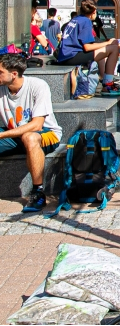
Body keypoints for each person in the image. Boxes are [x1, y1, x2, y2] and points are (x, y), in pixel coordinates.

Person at [0, 54, 62, 213]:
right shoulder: (1, 88)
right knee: (25, 136)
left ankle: (38, 192)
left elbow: (37, 124)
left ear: (13, 74)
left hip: (46, 134)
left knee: (29, 136)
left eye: (0, 72)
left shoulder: (37, 86)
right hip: (14, 135)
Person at [55, 0, 120, 96]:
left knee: (105, 49)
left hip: (65, 55)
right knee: (115, 49)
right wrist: (109, 43)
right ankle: (108, 84)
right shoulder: (86, 21)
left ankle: (106, 81)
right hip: (72, 56)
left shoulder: (76, 19)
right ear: (94, 11)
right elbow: (87, 47)